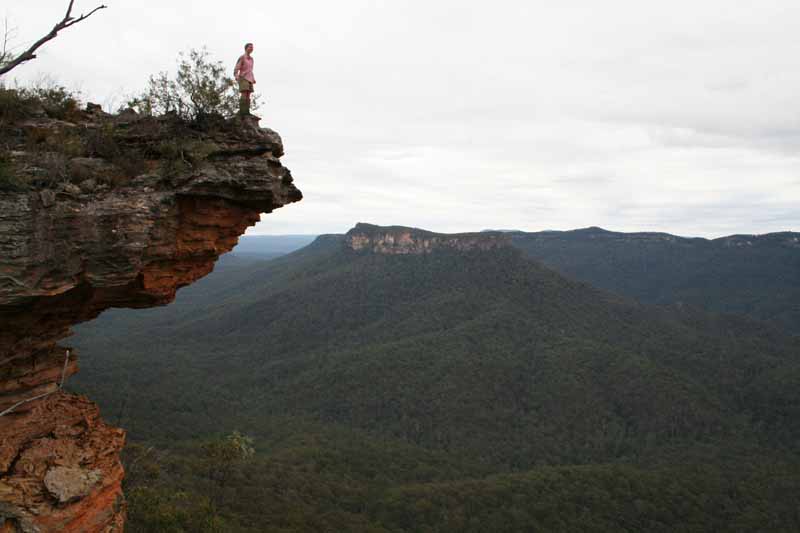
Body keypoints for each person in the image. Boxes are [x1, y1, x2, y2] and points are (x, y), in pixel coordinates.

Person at [234, 42, 257, 117]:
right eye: (250, 47)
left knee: (248, 94)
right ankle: (242, 111)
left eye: (252, 47)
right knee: (244, 93)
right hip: (243, 77)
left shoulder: (252, 59)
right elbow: (237, 68)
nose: (251, 48)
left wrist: (253, 78)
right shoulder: (242, 57)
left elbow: (250, 69)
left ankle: (247, 111)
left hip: (250, 78)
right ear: (246, 48)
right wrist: (236, 75)